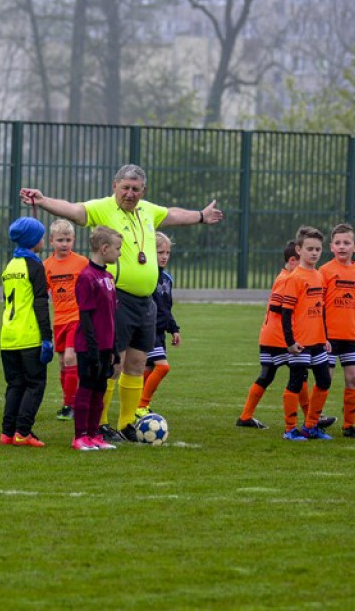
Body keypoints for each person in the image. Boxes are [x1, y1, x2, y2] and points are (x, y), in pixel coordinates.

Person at [20, 164, 223, 442]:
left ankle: (127, 423)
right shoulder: (103, 208)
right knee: (112, 363)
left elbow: (173, 214)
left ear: (143, 190)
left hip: (146, 302)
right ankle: (100, 423)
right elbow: (75, 210)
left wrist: (201, 216)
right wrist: (43, 201)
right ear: (114, 185)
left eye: (135, 189)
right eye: (125, 187)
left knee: (138, 362)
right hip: (117, 299)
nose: (130, 193)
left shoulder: (148, 210)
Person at [236, 240, 329, 430]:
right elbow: (278, 308)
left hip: (273, 335)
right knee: (298, 375)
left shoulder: (288, 277)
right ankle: (309, 419)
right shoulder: (286, 279)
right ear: (293, 259)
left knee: (269, 375)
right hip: (279, 337)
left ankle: (246, 416)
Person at [0, 217, 54, 448]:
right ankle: (23, 431)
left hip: (8, 336)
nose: (43, 240)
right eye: (40, 236)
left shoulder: (10, 265)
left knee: (15, 385)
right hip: (29, 335)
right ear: (33, 240)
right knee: (35, 384)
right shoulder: (35, 266)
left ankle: (7, 432)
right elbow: (40, 303)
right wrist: (47, 338)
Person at [71, 226, 123, 451]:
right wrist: (92, 349)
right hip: (89, 346)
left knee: (100, 389)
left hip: (105, 345)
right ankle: (80, 436)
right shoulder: (87, 276)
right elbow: (86, 317)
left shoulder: (108, 277)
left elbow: (111, 315)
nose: (119, 254)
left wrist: (113, 347)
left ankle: (94, 434)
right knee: (87, 388)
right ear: (104, 248)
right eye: (117, 249)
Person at [280, 226, 333, 441]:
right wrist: (290, 342)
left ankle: (310, 426)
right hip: (300, 342)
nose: (314, 253)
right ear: (299, 250)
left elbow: (321, 310)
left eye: (318, 249)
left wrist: (326, 336)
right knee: (295, 383)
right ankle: (289, 429)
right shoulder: (295, 278)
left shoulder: (319, 276)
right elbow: (285, 314)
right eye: (310, 248)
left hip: (318, 341)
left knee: (324, 381)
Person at [319, 223, 355, 439]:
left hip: (351, 337)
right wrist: (321, 334)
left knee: (353, 379)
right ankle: (313, 421)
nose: (342, 246)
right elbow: (318, 306)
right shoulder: (325, 271)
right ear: (331, 246)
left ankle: (350, 425)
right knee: (325, 380)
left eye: (346, 243)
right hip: (329, 337)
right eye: (338, 243)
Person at [43, 219, 88, 421]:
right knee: (62, 363)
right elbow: (43, 294)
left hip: (76, 317)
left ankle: (72, 405)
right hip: (59, 319)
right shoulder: (46, 266)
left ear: (74, 240)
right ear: (51, 241)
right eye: (60, 240)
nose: (64, 244)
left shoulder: (82, 262)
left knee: (71, 358)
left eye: (68, 240)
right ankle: (67, 402)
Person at [137, 232, 180, 418]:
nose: (164, 256)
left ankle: (137, 405)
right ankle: (141, 405)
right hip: (147, 329)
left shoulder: (167, 279)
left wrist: (174, 329)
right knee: (163, 367)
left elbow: (166, 307)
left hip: (160, 331)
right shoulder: (146, 276)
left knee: (149, 369)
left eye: (167, 252)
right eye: (160, 252)